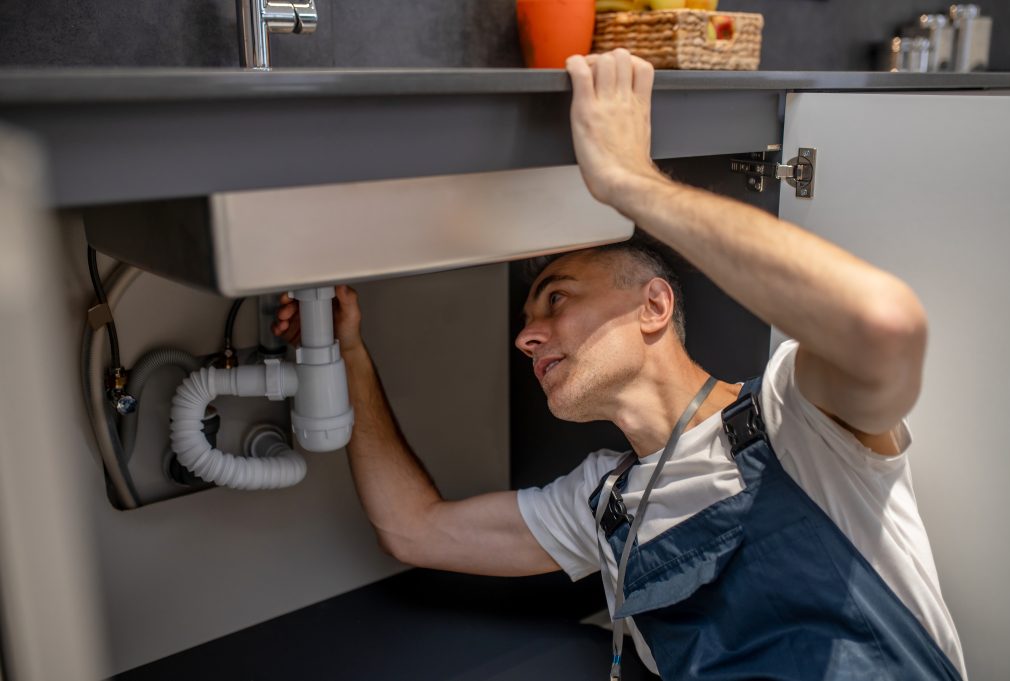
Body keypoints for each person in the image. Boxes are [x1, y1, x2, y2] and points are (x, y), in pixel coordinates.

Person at [273, 50, 966, 680]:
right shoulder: (600, 505)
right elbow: (412, 528)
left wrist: (628, 183)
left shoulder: (797, 421)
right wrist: (349, 354)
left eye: (556, 300)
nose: (526, 337)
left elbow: (883, 323)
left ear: (654, 306)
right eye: (526, 322)